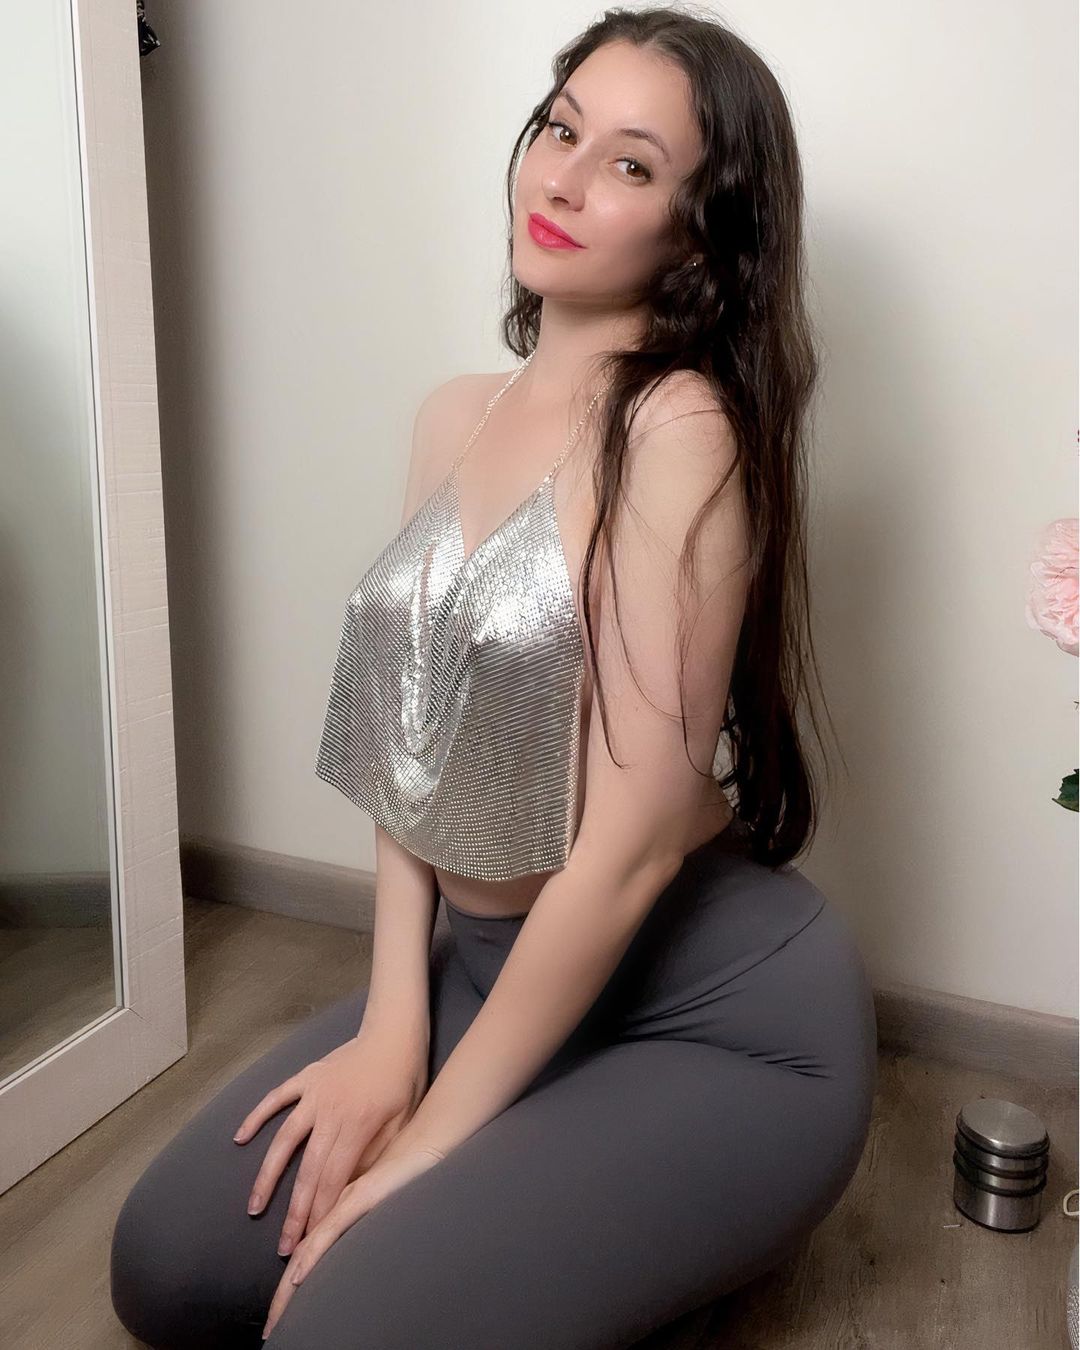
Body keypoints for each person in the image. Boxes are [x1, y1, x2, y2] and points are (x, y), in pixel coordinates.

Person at [110, 8, 878, 1347]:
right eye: (559, 130)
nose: (563, 180)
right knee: (164, 1267)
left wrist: (417, 1155)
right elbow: (406, 746)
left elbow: (630, 854)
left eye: (631, 164)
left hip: (711, 1018)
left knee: (334, 1328)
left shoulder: (681, 429)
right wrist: (392, 1031)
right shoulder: (453, 414)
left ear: (703, 233)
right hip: (484, 975)